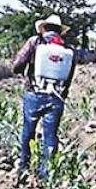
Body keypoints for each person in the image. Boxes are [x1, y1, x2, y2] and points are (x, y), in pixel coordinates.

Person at [12, 13, 76, 179]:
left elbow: (17, 64)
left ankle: (24, 165)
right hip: (56, 97)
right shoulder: (68, 49)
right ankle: (47, 174)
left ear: (43, 29)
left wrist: (20, 72)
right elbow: (69, 76)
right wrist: (63, 95)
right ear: (59, 31)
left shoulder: (35, 42)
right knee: (50, 136)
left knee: (28, 130)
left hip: (34, 93)